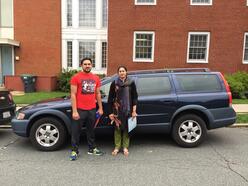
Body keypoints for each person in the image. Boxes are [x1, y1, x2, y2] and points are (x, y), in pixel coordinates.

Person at [69, 57, 104, 161]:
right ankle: (74, 150)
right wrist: (74, 111)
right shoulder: (76, 77)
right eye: (85, 64)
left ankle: (91, 148)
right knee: (76, 131)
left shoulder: (96, 78)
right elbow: (73, 94)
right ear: (81, 65)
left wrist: (100, 108)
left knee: (91, 131)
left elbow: (97, 94)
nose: (87, 66)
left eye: (89, 64)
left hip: (92, 109)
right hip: (79, 109)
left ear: (91, 65)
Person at [108, 66, 138, 156]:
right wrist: (110, 112)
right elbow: (110, 98)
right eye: (120, 71)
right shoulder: (114, 83)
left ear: (126, 72)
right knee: (117, 129)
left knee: (126, 129)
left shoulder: (131, 82)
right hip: (117, 110)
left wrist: (134, 111)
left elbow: (135, 97)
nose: (122, 72)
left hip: (128, 110)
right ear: (118, 73)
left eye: (123, 71)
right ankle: (117, 147)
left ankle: (125, 147)